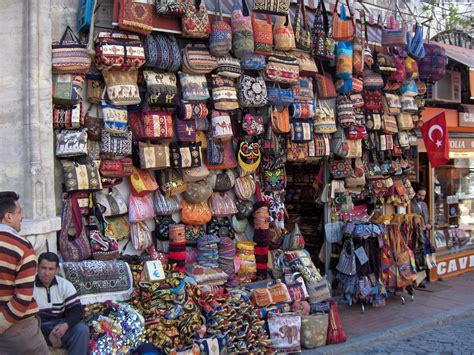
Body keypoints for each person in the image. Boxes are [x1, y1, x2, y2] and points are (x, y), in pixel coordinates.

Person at [0, 191, 49, 354]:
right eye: (19, 212)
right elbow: (22, 297)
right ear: (8, 216)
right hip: (17, 331)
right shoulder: (22, 247)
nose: (22, 216)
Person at [34, 252, 89, 355]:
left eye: (51, 269)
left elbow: (76, 310)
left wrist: (65, 326)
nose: (47, 273)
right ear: (37, 268)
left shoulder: (65, 285)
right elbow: (25, 318)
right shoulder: (29, 287)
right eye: (43, 268)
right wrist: (49, 333)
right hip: (37, 329)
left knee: (82, 330)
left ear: (57, 270)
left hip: (59, 327)